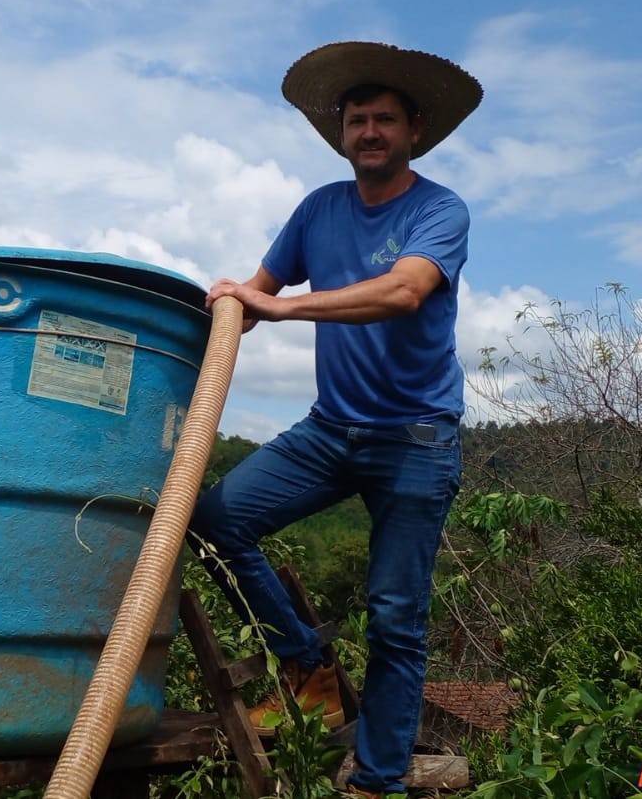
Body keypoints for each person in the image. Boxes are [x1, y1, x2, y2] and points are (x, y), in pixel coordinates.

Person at [191, 41, 482, 797]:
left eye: (384, 119)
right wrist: (222, 305)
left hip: (415, 437)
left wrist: (280, 306)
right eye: (357, 121)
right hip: (330, 429)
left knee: (394, 617)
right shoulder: (319, 208)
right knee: (215, 520)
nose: (369, 132)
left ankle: (376, 780)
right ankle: (307, 666)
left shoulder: (439, 210)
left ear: (413, 129)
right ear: (342, 133)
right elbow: (254, 293)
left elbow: (403, 291)